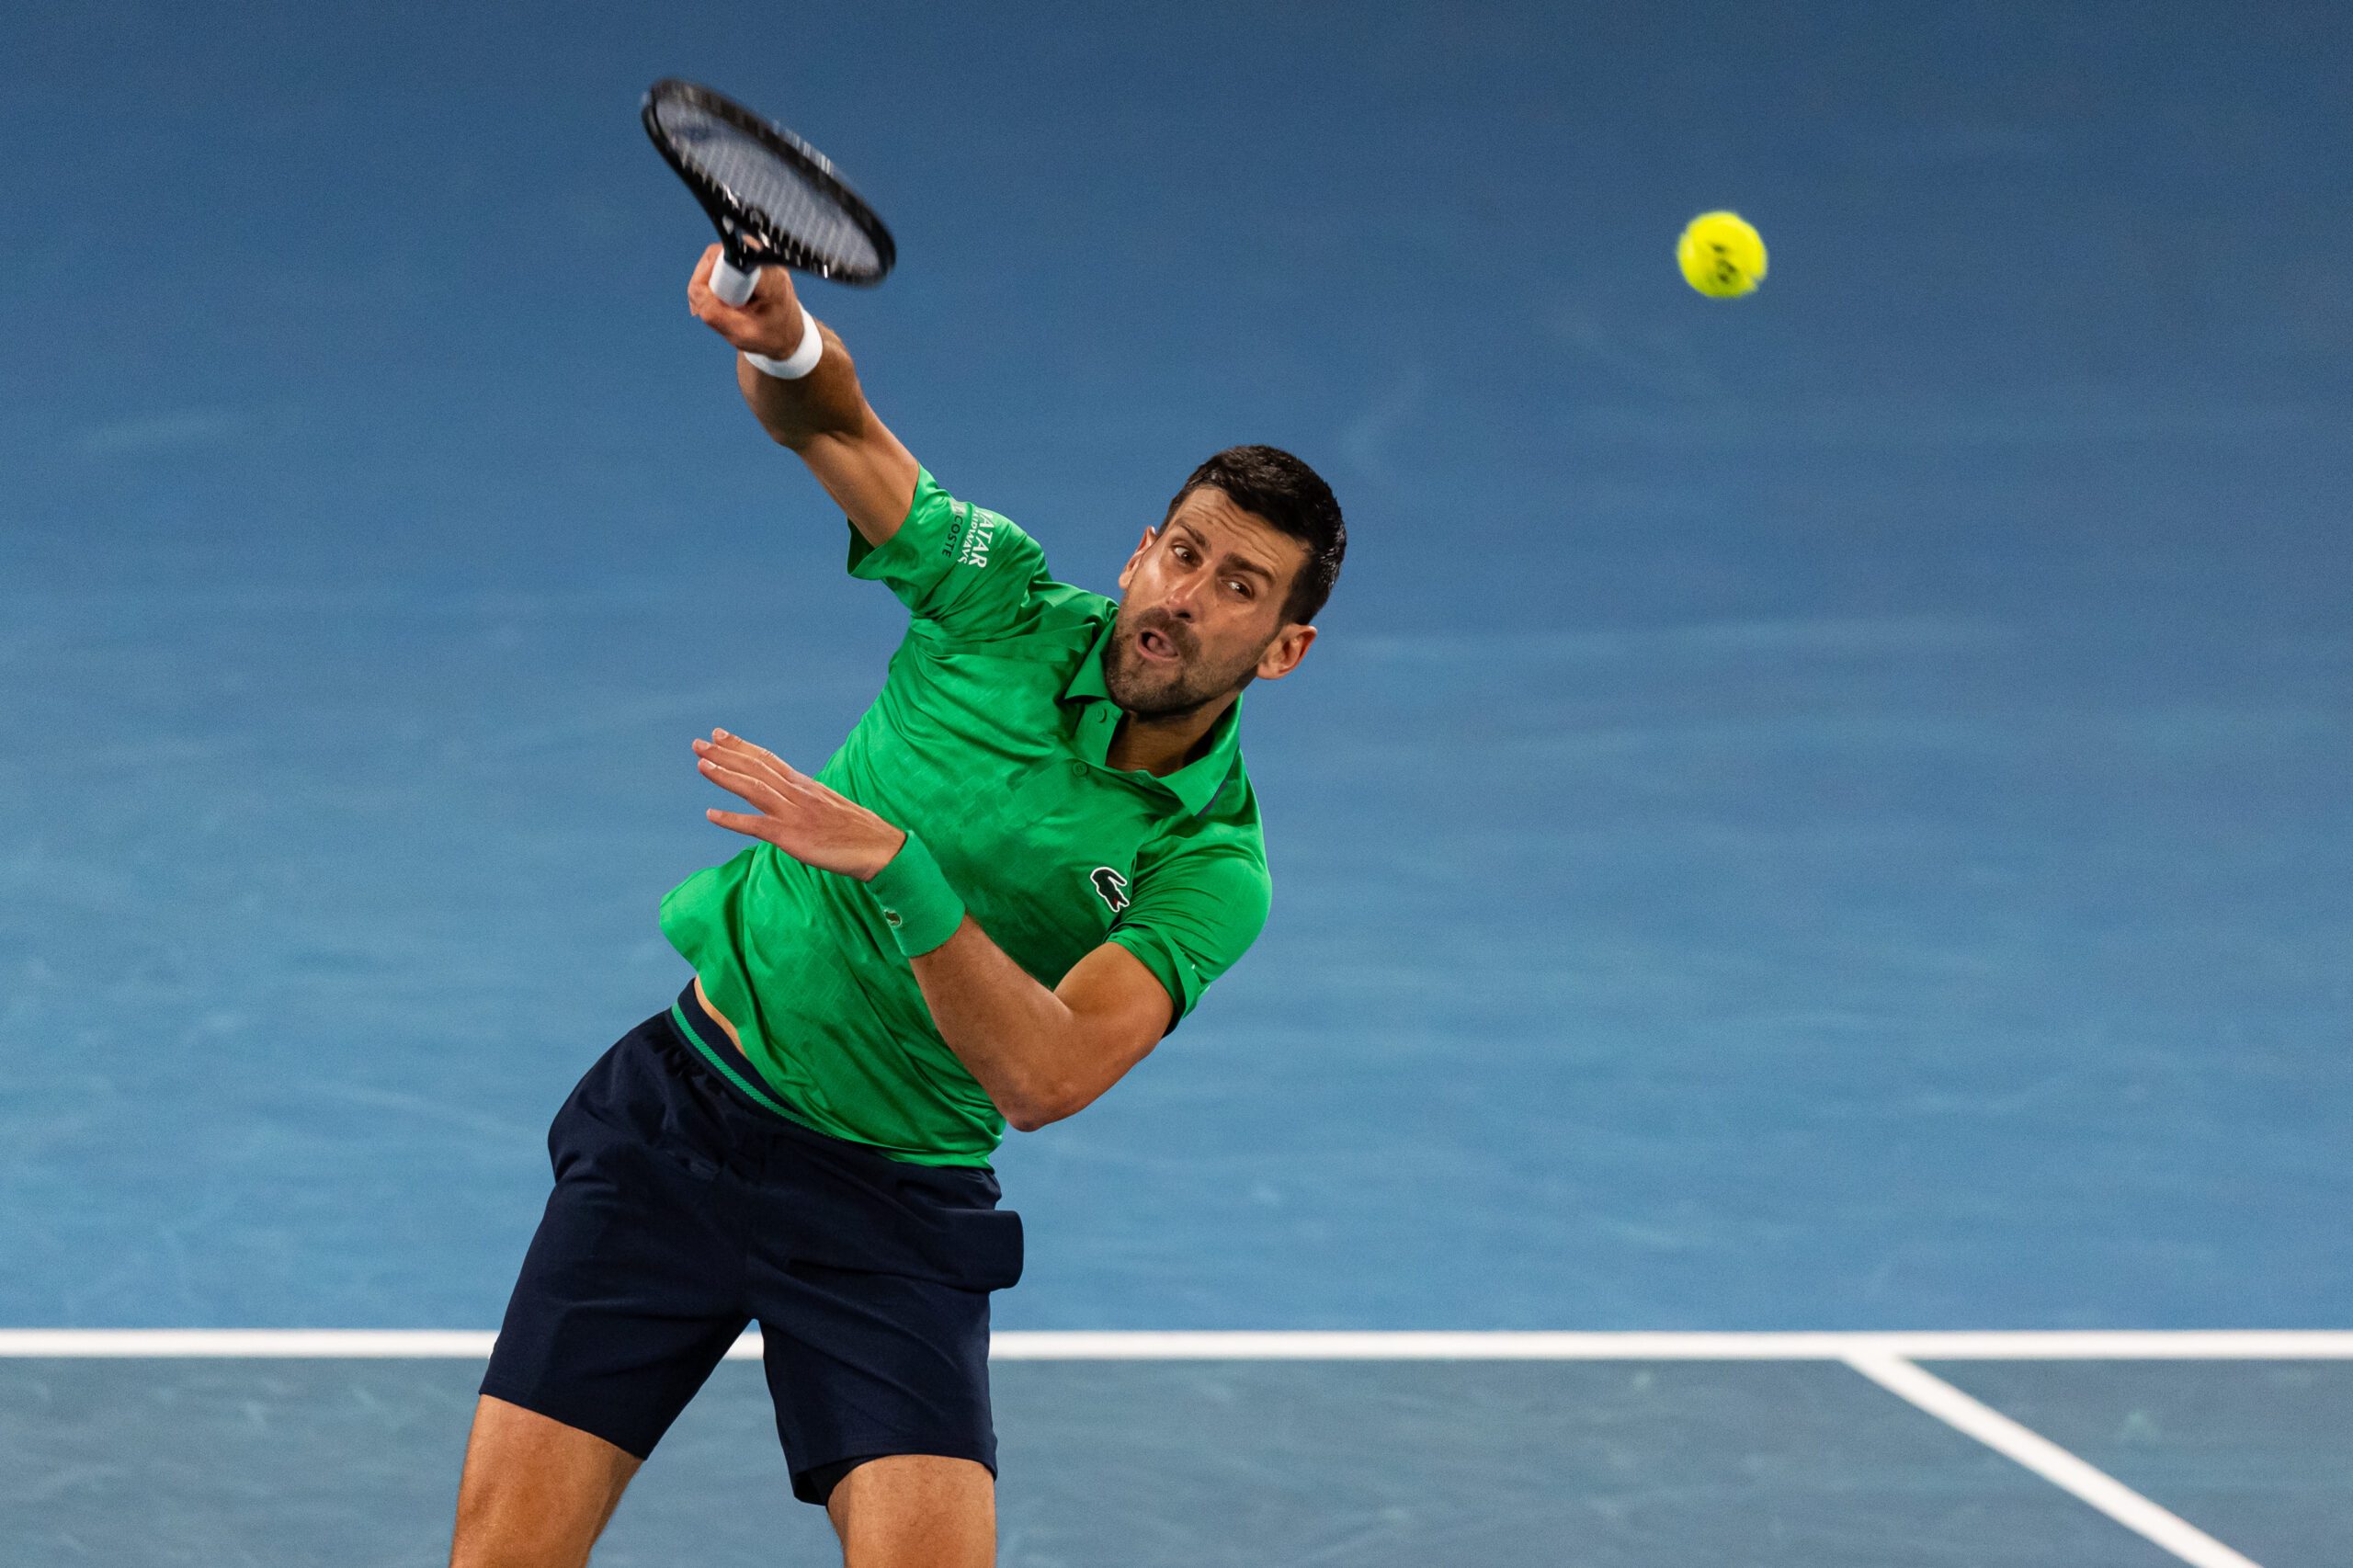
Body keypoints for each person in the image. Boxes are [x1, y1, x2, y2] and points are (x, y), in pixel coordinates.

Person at [447, 245, 1346, 1568]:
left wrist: (896, 867)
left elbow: (1045, 1076)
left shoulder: (1210, 863)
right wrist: (783, 342)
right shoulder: (997, 599)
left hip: (892, 1205)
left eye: (1239, 588)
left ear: (1284, 650)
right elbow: (837, 429)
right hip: (683, 1125)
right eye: (1183, 553)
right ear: (1141, 549)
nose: (1184, 598)